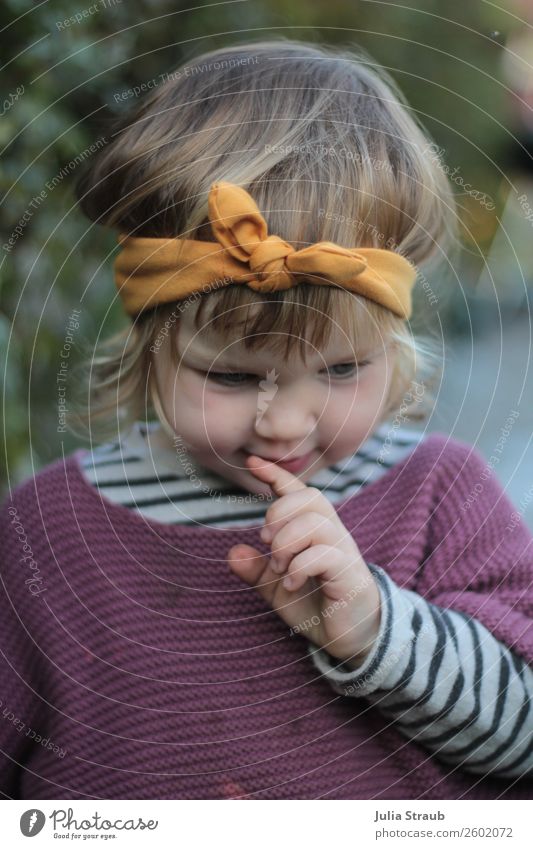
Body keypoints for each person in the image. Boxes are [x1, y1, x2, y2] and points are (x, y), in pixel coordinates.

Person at [1, 39, 532, 801]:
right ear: (149, 344)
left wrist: (382, 632)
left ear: (397, 346)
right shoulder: (46, 531)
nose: (285, 424)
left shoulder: (439, 496)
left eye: (342, 369)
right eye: (232, 375)